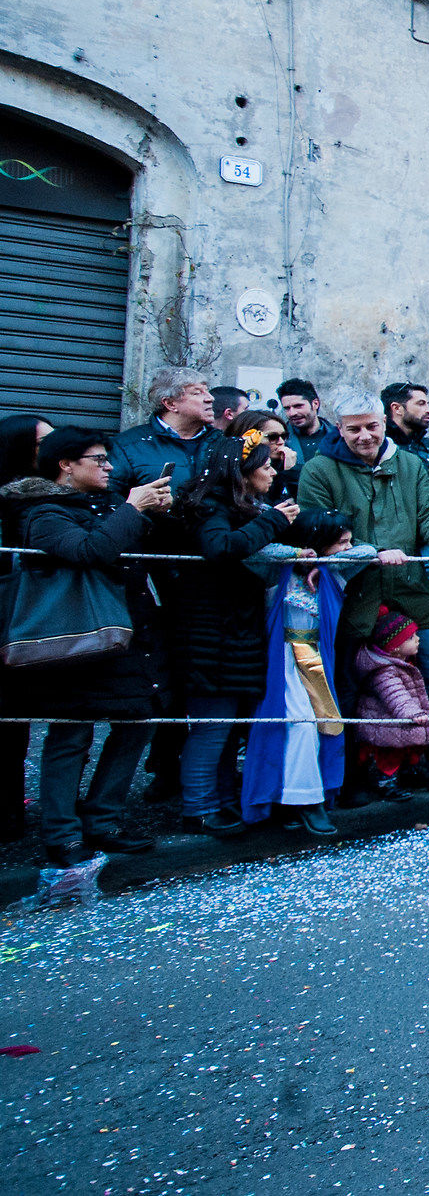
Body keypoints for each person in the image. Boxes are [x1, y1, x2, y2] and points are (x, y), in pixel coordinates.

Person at [298, 392, 429, 791]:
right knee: (348, 683)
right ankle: (350, 775)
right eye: (354, 429)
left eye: (372, 426)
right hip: (352, 595)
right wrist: (373, 552)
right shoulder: (319, 470)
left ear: (384, 422)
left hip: (408, 591)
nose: (365, 436)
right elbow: (320, 531)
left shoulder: (409, 463)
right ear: (339, 428)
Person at [3, 428, 170, 867]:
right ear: (66, 465)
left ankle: (104, 820)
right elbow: (89, 550)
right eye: (98, 459)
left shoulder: (108, 503)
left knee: (138, 721)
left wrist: (152, 512)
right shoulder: (42, 512)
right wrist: (133, 509)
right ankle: (61, 835)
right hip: (77, 640)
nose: (109, 466)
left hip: (127, 635)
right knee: (71, 733)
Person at [173, 431, 298, 830]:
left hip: (233, 630)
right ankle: (198, 807)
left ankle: (222, 800)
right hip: (212, 631)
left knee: (227, 728)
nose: (272, 471)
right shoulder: (210, 507)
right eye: (265, 466)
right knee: (212, 726)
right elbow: (221, 548)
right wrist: (274, 520)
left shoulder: (237, 506)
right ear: (240, 472)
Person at [109, 366, 215, 806]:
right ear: (170, 403)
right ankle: (164, 767)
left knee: (205, 673)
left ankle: (203, 774)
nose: (209, 398)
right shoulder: (131, 445)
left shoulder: (221, 443)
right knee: (161, 671)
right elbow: (109, 500)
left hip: (211, 574)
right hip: (152, 575)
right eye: (197, 392)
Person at [244, 508, 374, 833]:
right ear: (316, 541)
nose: (347, 548)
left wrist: (322, 563)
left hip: (316, 660)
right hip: (283, 662)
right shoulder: (278, 573)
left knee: (321, 726)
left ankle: (296, 800)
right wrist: (297, 555)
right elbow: (251, 550)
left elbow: (368, 552)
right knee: (297, 725)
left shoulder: (334, 573)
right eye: (340, 542)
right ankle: (304, 802)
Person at [0, 412, 52, 841]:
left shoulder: (48, 497)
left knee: (15, 722)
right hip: (10, 613)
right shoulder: (13, 500)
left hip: (23, 619)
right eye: (42, 445)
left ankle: (9, 810)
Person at [352, 606, 429, 793]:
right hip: (384, 722)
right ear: (395, 646)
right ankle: (385, 781)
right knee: (388, 755)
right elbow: (396, 695)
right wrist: (413, 713)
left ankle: (406, 773)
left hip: (394, 723)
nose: (418, 639)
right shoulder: (384, 672)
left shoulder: (401, 662)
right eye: (411, 637)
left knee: (403, 750)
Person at [382, 382, 429, 472]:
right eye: (421, 404)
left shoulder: (427, 447)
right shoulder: (381, 447)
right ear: (397, 408)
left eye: (427, 404)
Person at [276, 378, 330, 462]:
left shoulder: (340, 437)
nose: (292, 413)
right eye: (287, 408)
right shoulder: (279, 441)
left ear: (315, 404)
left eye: (298, 406)